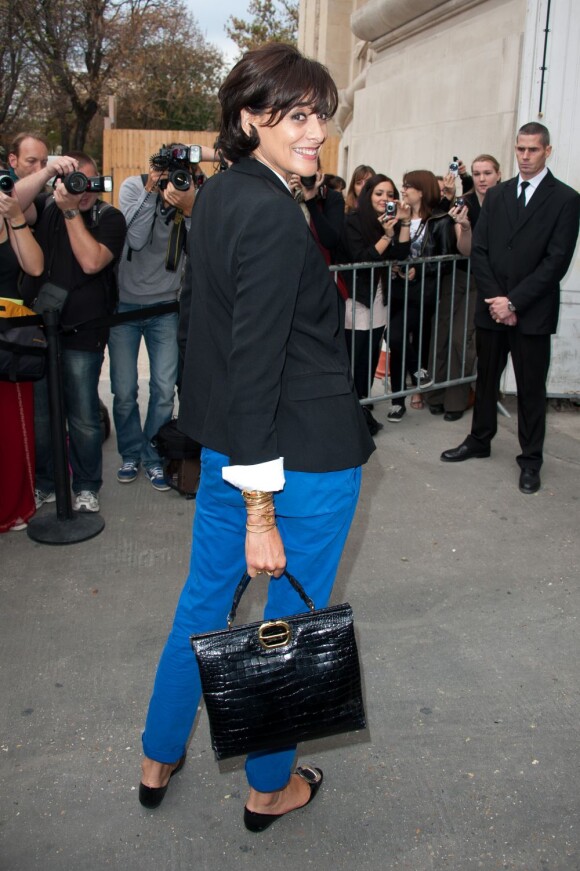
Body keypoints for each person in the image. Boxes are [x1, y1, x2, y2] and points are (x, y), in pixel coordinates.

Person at [138, 43, 374, 829]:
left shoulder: (220, 199)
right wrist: (261, 511)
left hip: (232, 453)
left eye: (321, 116)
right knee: (285, 628)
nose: (316, 133)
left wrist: (222, 464)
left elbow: (207, 334)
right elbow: (252, 361)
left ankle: (156, 755)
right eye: (297, 115)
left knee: (203, 604)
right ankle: (269, 786)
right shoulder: (273, 212)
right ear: (250, 117)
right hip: (292, 465)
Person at [441, 122, 580, 494]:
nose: (525, 156)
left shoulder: (565, 199)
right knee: (485, 378)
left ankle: (531, 459)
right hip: (492, 307)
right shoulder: (499, 195)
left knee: (531, 388)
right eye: (520, 149)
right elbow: (481, 251)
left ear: (547, 151)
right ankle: (479, 439)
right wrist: (497, 301)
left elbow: (556, 262)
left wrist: (514, 301)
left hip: (531, 312)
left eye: (533, 150)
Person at [18, 153, 127, 513]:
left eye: (90, 181)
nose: (83, 190)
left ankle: (86, 486)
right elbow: (12, 205)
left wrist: (70, 212)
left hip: (85, 332)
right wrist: (48, 172)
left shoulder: (109, 217)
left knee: (82, 415)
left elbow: (92, 261)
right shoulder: (46, 205)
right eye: (74, 181)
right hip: (40, 329)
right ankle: (47, 482)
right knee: (43, 417)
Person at [107, 145, 210, 491]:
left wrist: (190, 204)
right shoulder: (135, 187)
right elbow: (134, 238)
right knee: (123, 391)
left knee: (164, 390)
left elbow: (201, 246)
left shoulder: (187, 195)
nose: (172, 178)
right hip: (125, 306)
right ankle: (130, 453)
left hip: (165, 306)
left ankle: (153, 455)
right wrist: (153, 189)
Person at [427, 154, 502, 420]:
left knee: (461, 339)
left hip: (485, 280)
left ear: (498, 175)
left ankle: (456, 400)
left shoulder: (505, 202)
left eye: (487, 173)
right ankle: (434, 395)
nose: (482, 179)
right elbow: (464, 248)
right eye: (477, 173)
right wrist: (466, 227)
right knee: (442, 334)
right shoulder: (466, 203)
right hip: (457, 275)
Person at [337, 174, 411, 434]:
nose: (385, 199)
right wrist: (387, 236)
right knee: (353, 356)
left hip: (379, 299)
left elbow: (401, 254)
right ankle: (349, 412)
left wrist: (402, 224)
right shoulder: (353, 221)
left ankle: (362, 406)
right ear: (368, 195)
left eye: (390, 194)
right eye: (379, 193)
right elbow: (361, 258)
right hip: (356, 299)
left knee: (369, 357)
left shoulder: (387, 222)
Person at [386, 170, 456, 422]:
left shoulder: (439, 221)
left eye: (408, 186)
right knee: (395, 341)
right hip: (394, 289)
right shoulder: (397, 216)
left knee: (396, 336)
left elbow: (446, 260)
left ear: (422, 190)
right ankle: (398, 399)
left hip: (421, 293)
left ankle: (414, 374)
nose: (403, 189)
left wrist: (419, 269)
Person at [0, 185, 44, 532]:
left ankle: (12, 505)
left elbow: (35, 266)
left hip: (8, 337)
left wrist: (16, 218)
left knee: (12, 429)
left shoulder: (8, 217)